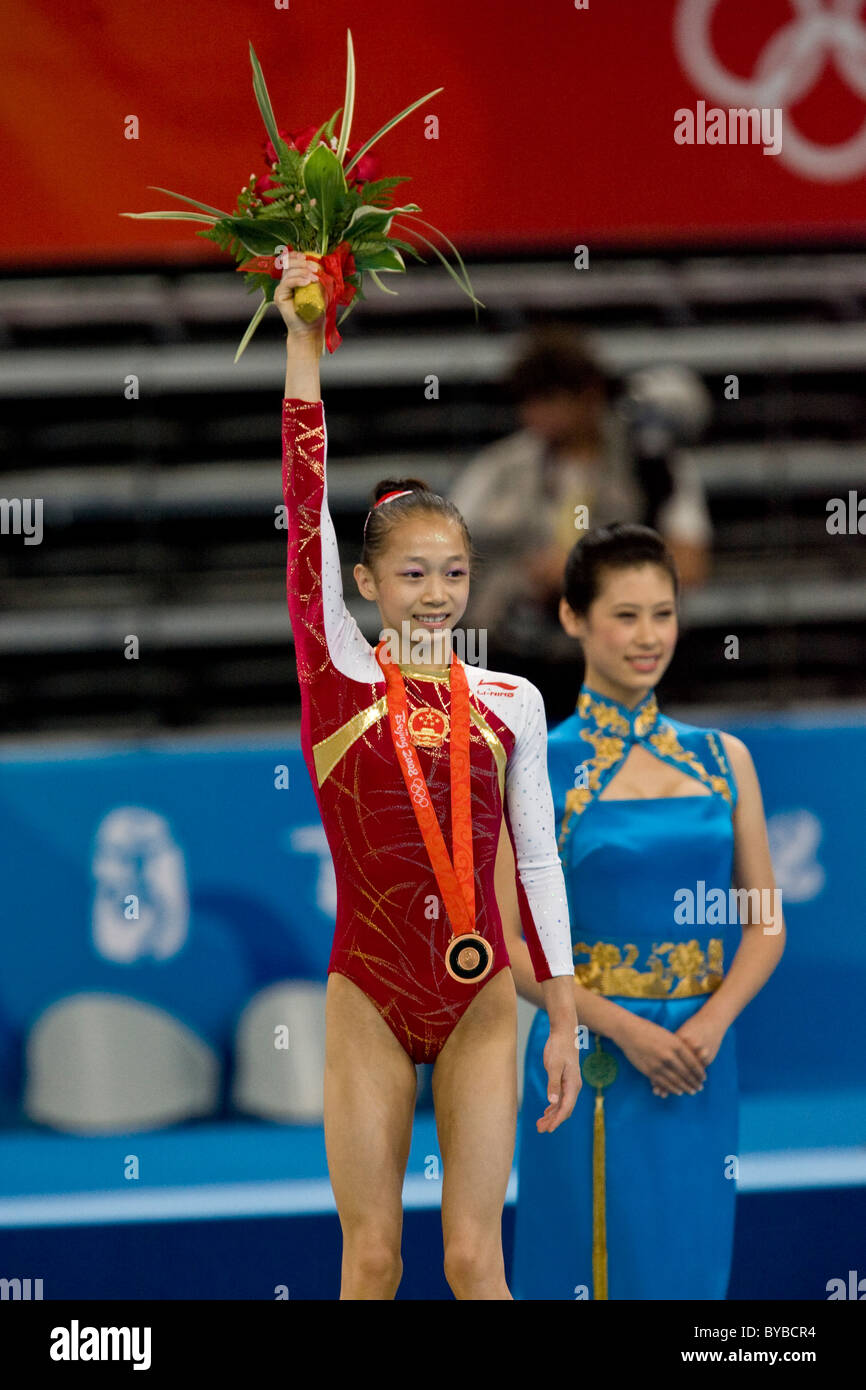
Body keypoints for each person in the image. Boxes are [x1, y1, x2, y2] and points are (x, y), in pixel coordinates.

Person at [275, 253, 581, 1300]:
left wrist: (566, 1012)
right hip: (368, 989)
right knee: (371, 1259)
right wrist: (303, 340)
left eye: (453, 572)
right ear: (364, 582)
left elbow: (536, 856)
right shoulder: (337, 682)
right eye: (412, 572)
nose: (438, 592)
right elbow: (303, 498)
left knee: (470, 1258)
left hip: (484, 999)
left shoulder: (510, 703)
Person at [494, 522, 785, 1299]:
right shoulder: (535, 762)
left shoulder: (726, 760)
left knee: (688, 1266)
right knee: (586, 1264)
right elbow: (506, 941)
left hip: (698, 1060)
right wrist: (624, 1030)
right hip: (587, 1055)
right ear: (573, 618)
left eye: (663, 613)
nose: (648, 636)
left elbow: (764, 921)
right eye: (625, 615)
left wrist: (710, 1025)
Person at [449, 327, 712, 673]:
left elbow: (690, 564)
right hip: (512, 658)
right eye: (529, 401)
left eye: (550, 399)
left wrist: (586, 571)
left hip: (621, 661)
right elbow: (444, 555)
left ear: (591, 394)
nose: (535, 415)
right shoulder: (500, 470)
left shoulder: (653, 468)